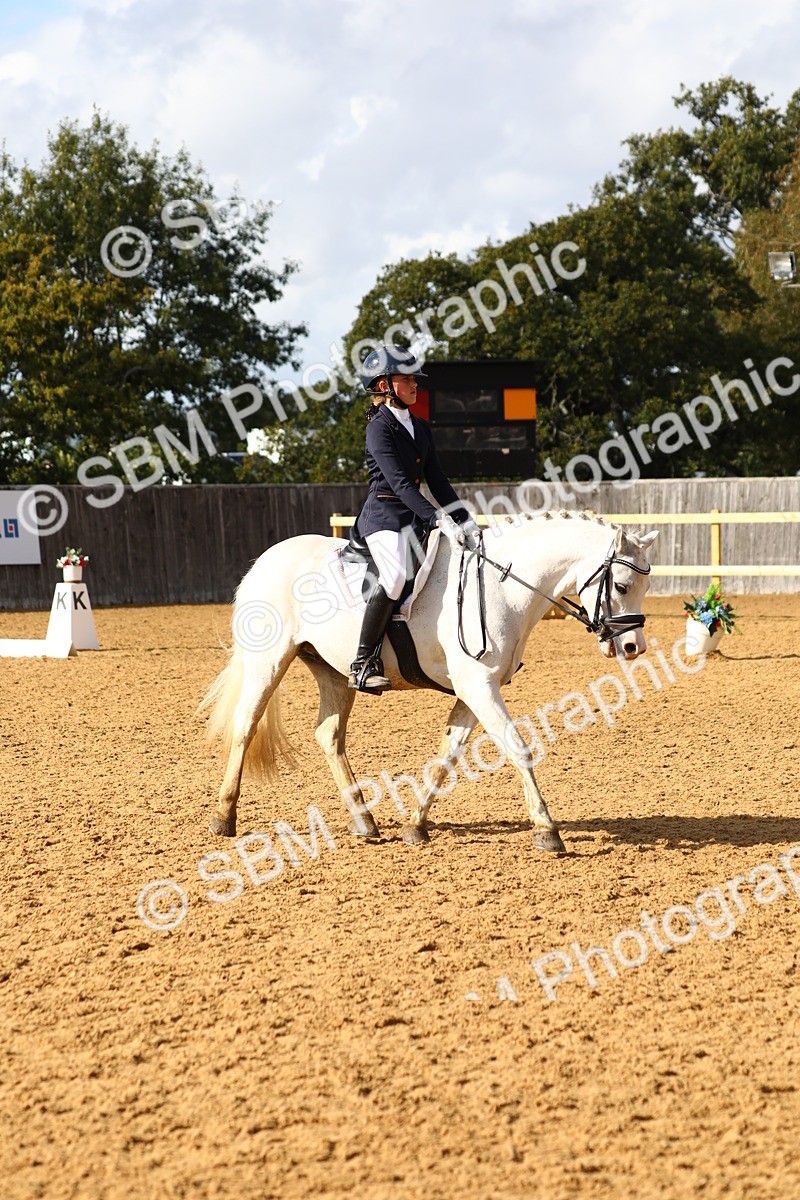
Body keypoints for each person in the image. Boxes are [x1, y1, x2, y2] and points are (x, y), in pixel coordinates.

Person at [348, 343, 480, 694]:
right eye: (406, 379)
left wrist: (466, 520)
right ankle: (362, 662)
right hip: (383, 517)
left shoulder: (420, 428)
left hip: (415, 518)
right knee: (393, 577)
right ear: (384, 385)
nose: (415, 385)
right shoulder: (379, 428)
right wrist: (439, 520)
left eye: (414, 380)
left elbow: (437, 482)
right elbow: (401, 484)